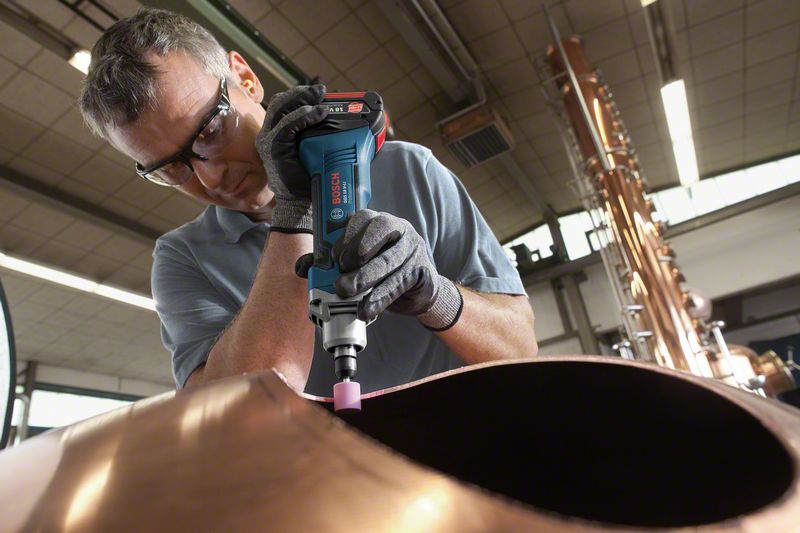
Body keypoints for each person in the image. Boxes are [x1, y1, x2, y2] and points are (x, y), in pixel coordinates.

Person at [78, 8, 537, 395]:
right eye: (170, 168)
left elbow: (520, 348)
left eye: (211, 129)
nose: (210, 176)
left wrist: (434, 295)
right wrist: (295, 210)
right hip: (331, 472)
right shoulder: (184, 259)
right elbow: (233, 412)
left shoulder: (409, 170)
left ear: (245, 79)